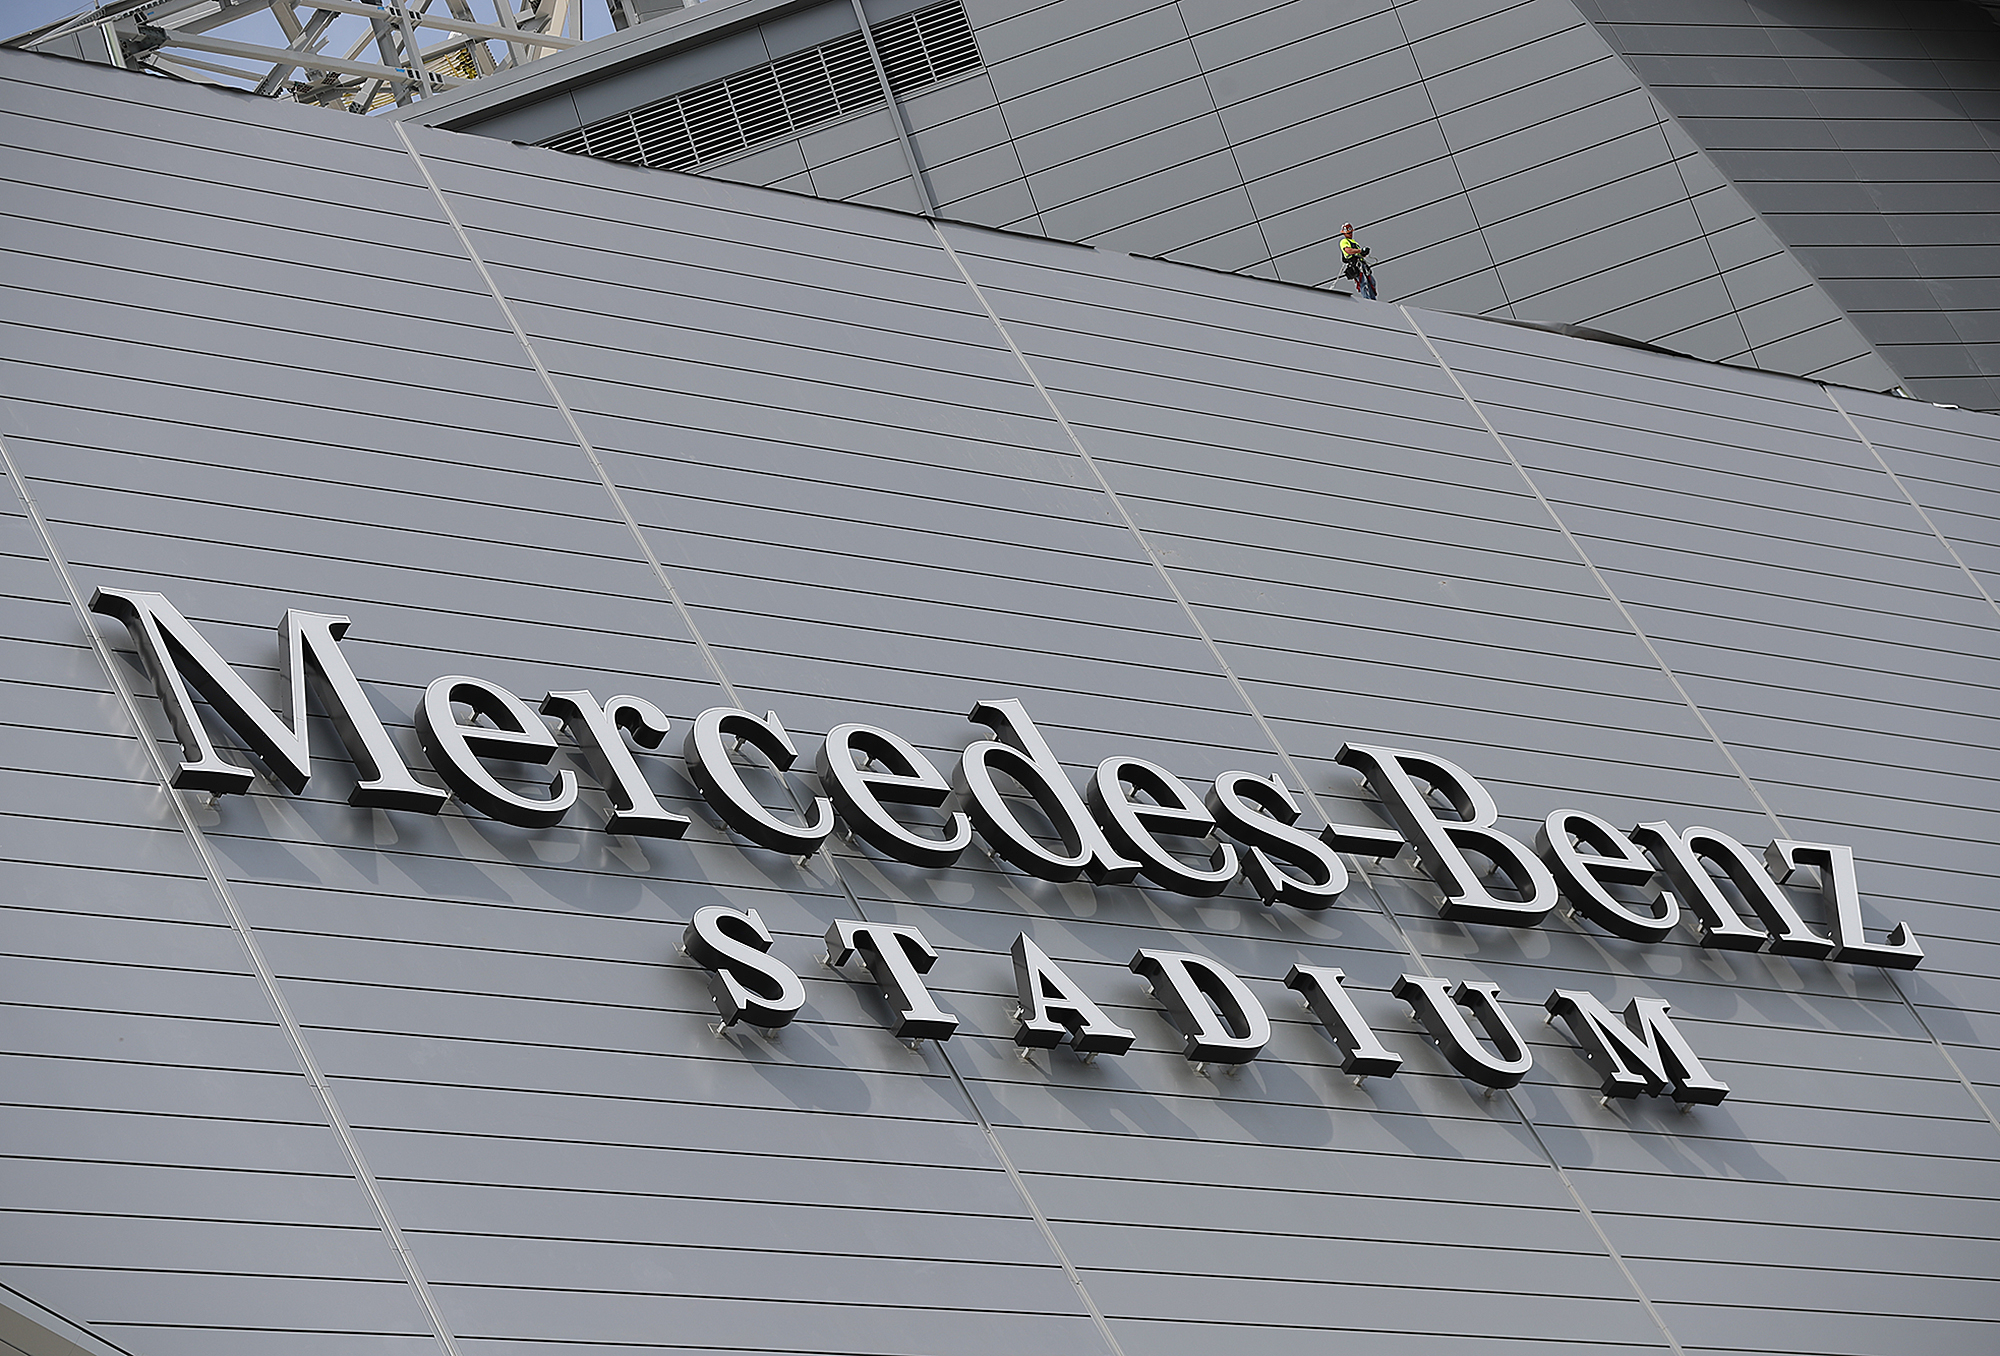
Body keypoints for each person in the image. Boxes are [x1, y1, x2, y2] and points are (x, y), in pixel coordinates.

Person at [1339, 223, 1377, 300]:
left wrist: (1364, 252)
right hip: (1355, 264)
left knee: (1371, 281)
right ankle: (1367, 299)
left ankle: (1373, 299)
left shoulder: (1354, 242)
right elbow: (1348, 250)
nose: (1350, 234)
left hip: (1362, 264)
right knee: (1363, 282)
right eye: (1348, 233)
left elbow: (1359, 254)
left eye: (1351, 232)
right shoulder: (1344, 241)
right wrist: (1360, 250)